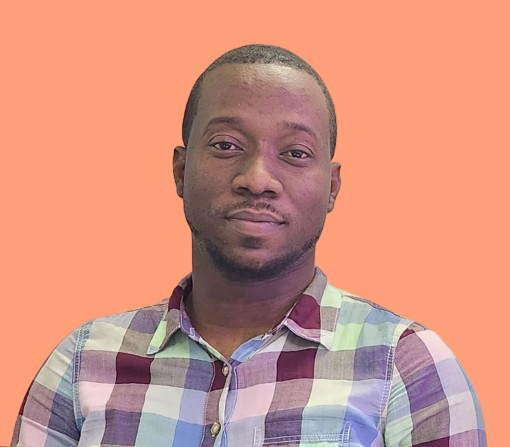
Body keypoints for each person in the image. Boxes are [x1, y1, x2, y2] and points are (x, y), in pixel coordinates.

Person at [11, 44, 486, 447]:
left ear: (333, 188)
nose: (258, 179)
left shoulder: (408, 364)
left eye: (296, 153)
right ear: (180, 171)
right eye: (226, 145)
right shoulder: (82, 362)